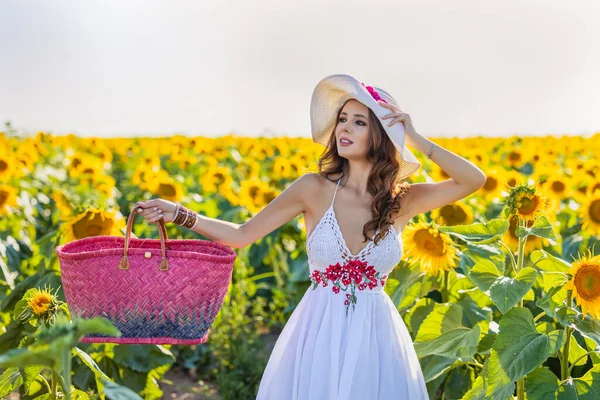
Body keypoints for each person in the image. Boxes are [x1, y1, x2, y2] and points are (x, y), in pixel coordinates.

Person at [134, 74, 487, 400]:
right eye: (343, 119)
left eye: (359, 122)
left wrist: (412, 136)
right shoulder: (312, 188)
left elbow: (472, 180)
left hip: (376, 338)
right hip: (319, 332)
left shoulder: (402, 200)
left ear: (380, 136)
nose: (343, 128)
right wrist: (180, 213)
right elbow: (241, 235)